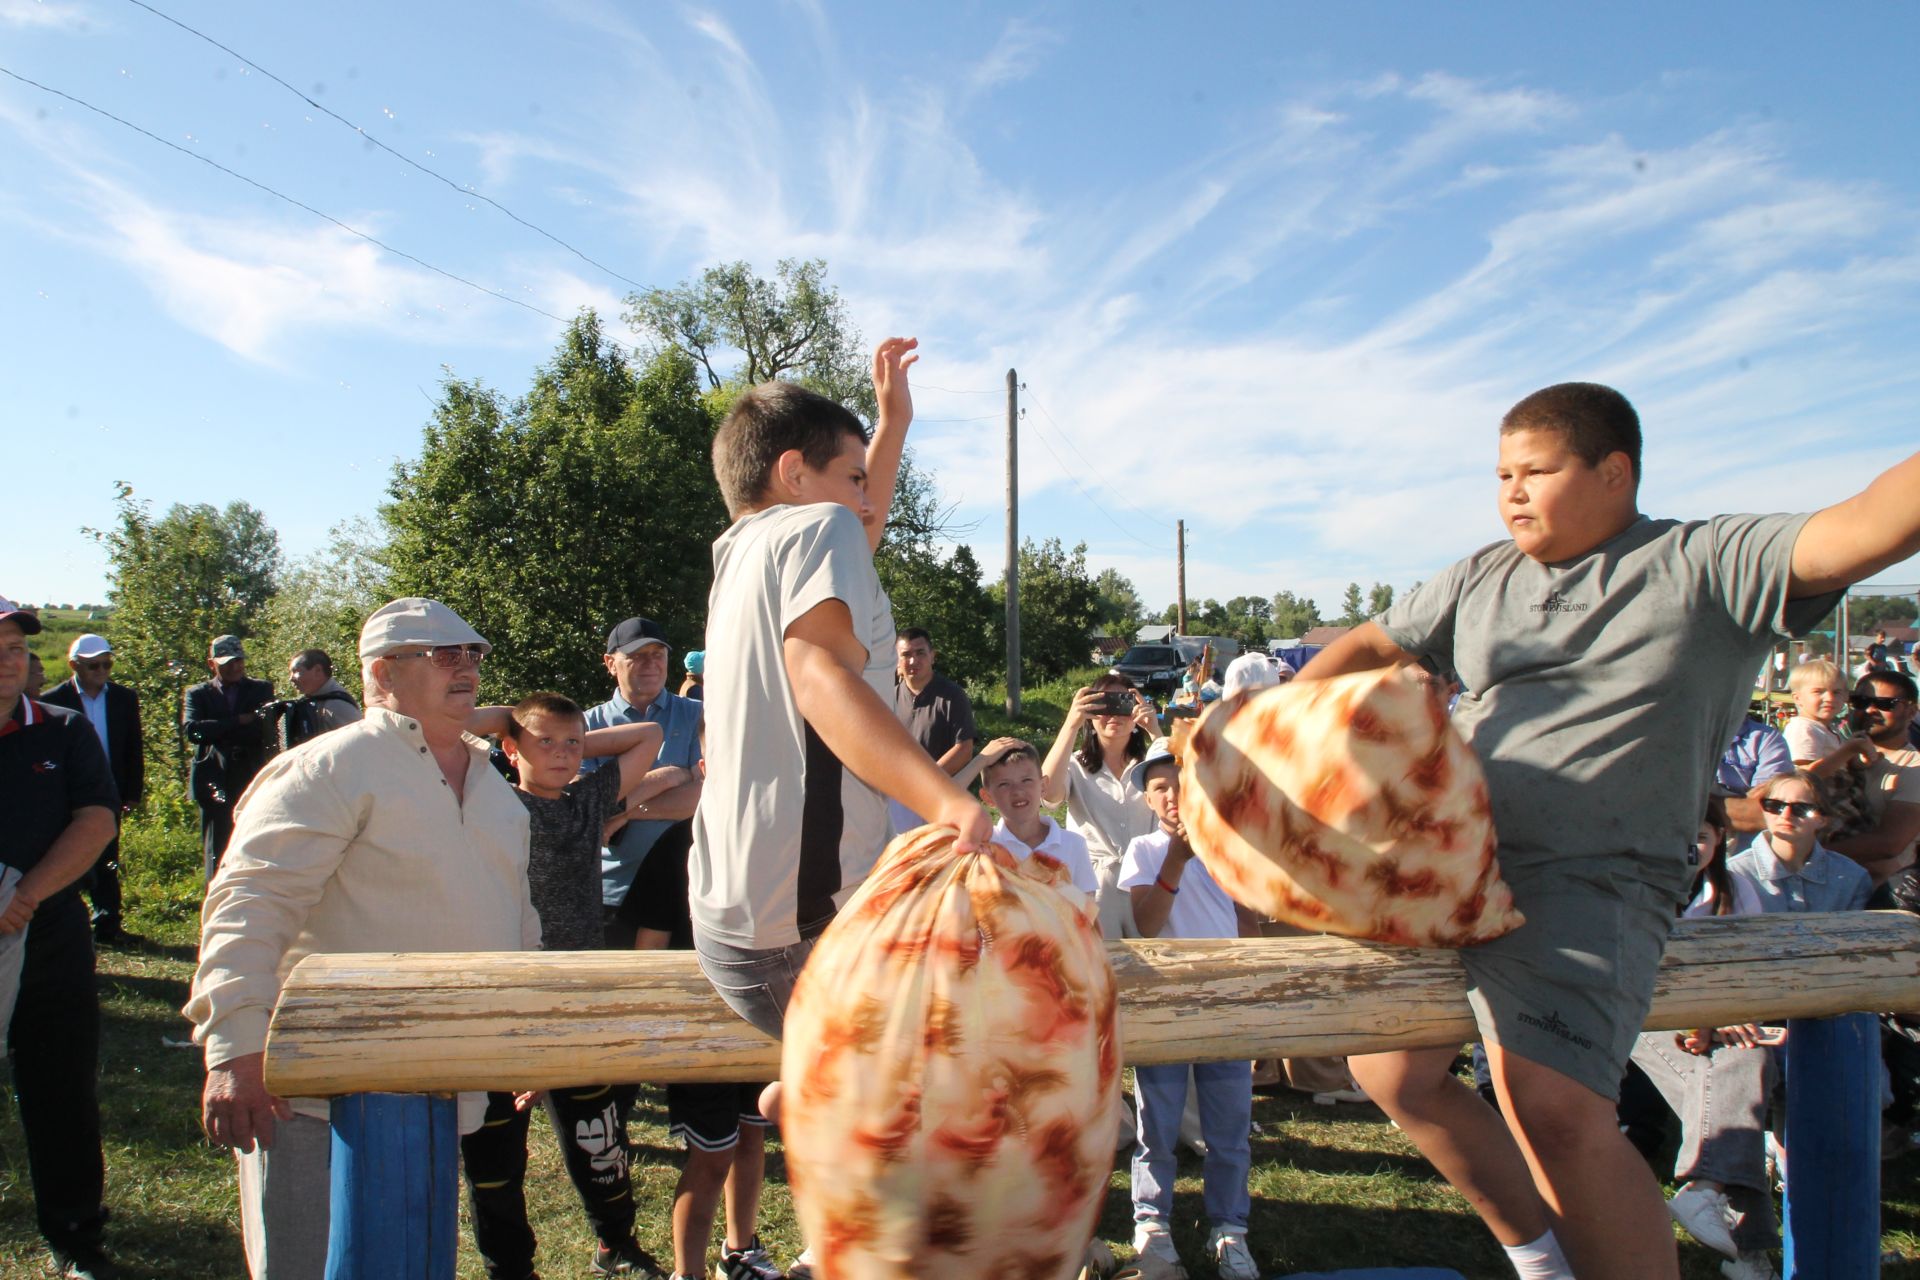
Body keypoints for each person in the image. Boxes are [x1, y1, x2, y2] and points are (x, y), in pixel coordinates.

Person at [1299, 381, 1920, 1279]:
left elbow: (1865, 525)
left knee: (1551, 1106)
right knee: (1392, 1073)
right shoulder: (1480, 576)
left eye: (1536, 471)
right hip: (1449, 865)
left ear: (1614, 471)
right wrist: (1263, 718)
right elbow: (1370, 644)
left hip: (1594, 872)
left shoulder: (1704, 561)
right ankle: (1541, 1259)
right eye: (1501, 473)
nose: (1511, 491)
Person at [185, 598, 542, 1280]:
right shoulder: (329, 767)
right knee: (304, 1267)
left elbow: (516, 917)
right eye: (442, 655)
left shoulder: (494, 787)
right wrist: (234, 1048)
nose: (464, 667)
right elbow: (248, 905)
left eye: (472, 654)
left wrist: (520, 1036)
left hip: (434, 1094)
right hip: (312, 1097)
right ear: (382, 672)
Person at [459, 693, 672, 1280]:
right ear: (510, 749)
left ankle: (618, 1245)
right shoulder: (486, 800)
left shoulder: (586, 799)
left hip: (581, 996)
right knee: (496, 1153)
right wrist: (513, 727)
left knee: (598, 1138)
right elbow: (447, 730)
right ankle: (510, 1265)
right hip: (508, 995)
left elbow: (648, 735)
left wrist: (566, 740)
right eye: (543, 743)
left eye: (571, 744)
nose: (560, 755)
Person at [1633, 771, 1870, 1280]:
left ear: (1719, 839)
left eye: (1701, 835)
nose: (1690, 847)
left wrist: (1728, 1019)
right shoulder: (1640, 889)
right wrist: (1705, 1020)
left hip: (1718, 1022)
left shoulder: (1735, 889)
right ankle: (1739, 1239)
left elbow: (1747, 975)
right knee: (1731, 1089)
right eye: (1681, 837)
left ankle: (1708, 1197)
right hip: (1642, 1020)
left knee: (1744, 1064)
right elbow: (1638, 983)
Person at [0, 595, 122, 1280]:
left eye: (16, 649)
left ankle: (76, 1234)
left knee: (60, 1086)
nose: (7, 662)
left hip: (46, 931)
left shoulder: (63, 729)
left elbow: (98, 818)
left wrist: (26, 897)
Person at [1118, 740, 1259, 1280]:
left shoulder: (1232, 846)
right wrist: (1177, 860)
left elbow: (1247, 921)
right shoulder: (1145, 852)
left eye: (1181, 785)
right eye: (1160, 788)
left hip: (1226, 1003)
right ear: (1149, 801)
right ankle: (1153, 1224)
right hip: (1168, 1005)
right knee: (1159, 1122)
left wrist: (1249, 985)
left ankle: (1230, 1228)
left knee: (1230, 1128)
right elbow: (1147, 924)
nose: (1173, 796)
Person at [584, 616, 704, 951]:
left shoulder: (699, 715)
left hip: (688, 893)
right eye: (637, 655)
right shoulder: (585, 727)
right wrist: (671, 776)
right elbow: (589, 809)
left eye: (658, 654)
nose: (651, 663)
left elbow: (704, 799)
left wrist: (626, 812)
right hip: (612, 894)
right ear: (610, 663)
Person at [1039, 672, 1162, 939]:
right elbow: (1048, 794)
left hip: (1147, 879)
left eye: (1123, 704)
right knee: (1103, 968)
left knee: (1158, 963)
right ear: (1091, 714)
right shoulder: (1075, 765)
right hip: (1095, 883)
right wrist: (1071, 725)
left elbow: (1183, 792)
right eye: (1104, 707)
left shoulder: (1152, 765)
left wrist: (1156, 731)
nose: (1114, 716)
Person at [40, 633, 144, 944]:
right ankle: (65, 925)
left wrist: (132, 792)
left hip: (109, 791)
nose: (102, 671)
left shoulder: (124, 698)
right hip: (67, 792)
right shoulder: (52, 701)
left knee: (108, 858)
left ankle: (108, 925)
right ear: (74, 665)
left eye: (107, 664)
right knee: (66, 856)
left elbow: (132, 748)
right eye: (94, 665)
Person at [183, 635, 277, 881]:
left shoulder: (261, 689)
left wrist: (219, 729)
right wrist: (237, 721)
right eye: (227, 663)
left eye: (239, 661)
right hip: (214, 777)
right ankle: (214, 899)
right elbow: (193, 731)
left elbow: (262, 729)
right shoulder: (198, 694)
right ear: (211, 663)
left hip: (250, 774)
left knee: (253, 840)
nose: (235, 667)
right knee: (216, 845)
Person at [968, 737, 1099, 894]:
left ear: (1043, 786)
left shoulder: (1073, 844)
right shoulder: (983, 846)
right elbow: (934, 803)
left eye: (1026, 780)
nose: (1018, 791)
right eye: (1004, 784)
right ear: (987, 797)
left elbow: (1087, 909)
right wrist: (980, 760)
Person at [1828, 668, 1920, 886]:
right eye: (1860, 701)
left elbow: (1890, 843)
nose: (1869, 709)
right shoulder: (1832, 753)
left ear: (1911, 711)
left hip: (1876, 895)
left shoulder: (1913, 767)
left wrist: (1812, 853)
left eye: (1884, 704)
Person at [888, 626, 978, 832]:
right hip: (895, 802)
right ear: (897, 660)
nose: (913, 660)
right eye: (906, 655)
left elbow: (964, 748)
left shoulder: (952, 696)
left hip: (941, 801)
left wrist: (927, 782)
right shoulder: (887, 697)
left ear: (932, 656)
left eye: (920, 653)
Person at [1715, 716, 1794, 837]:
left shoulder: (1766, 738)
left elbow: (1766, 812)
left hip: (1743, 849)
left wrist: (1700, 802)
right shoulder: (1680, 734)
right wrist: (1742, 801)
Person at [273, 649, 362, 749]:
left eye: (296, 671)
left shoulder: (337, 705)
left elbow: (357, 745)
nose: (291, 678)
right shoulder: (311, 702)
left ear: (317, 671)